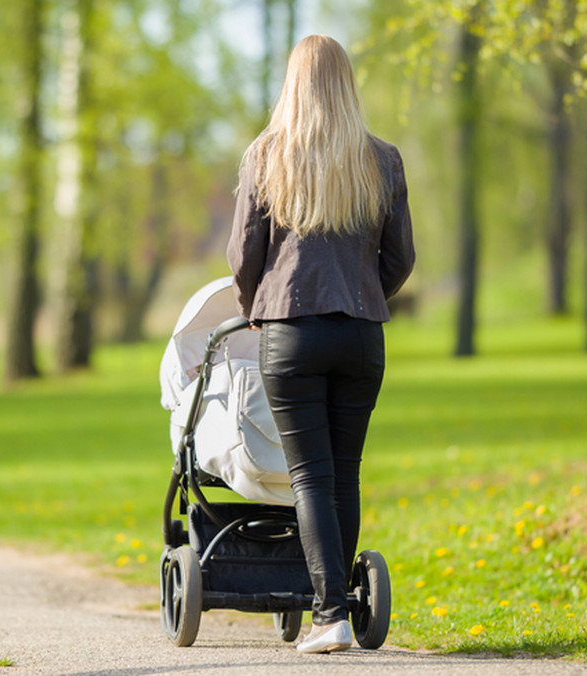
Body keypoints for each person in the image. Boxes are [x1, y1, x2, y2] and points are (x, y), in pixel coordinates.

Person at [226, 34, 415, 654]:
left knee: (310, 476)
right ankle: (339, 608)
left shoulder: (266, 156)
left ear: (293, 83)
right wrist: (364, 293)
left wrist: (256, 307)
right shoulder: (381, 158)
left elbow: (242, 256)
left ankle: (330, 612)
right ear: (346, 83)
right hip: (361, 334)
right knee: (346, 475)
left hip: (291, 332)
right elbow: (401, 258)